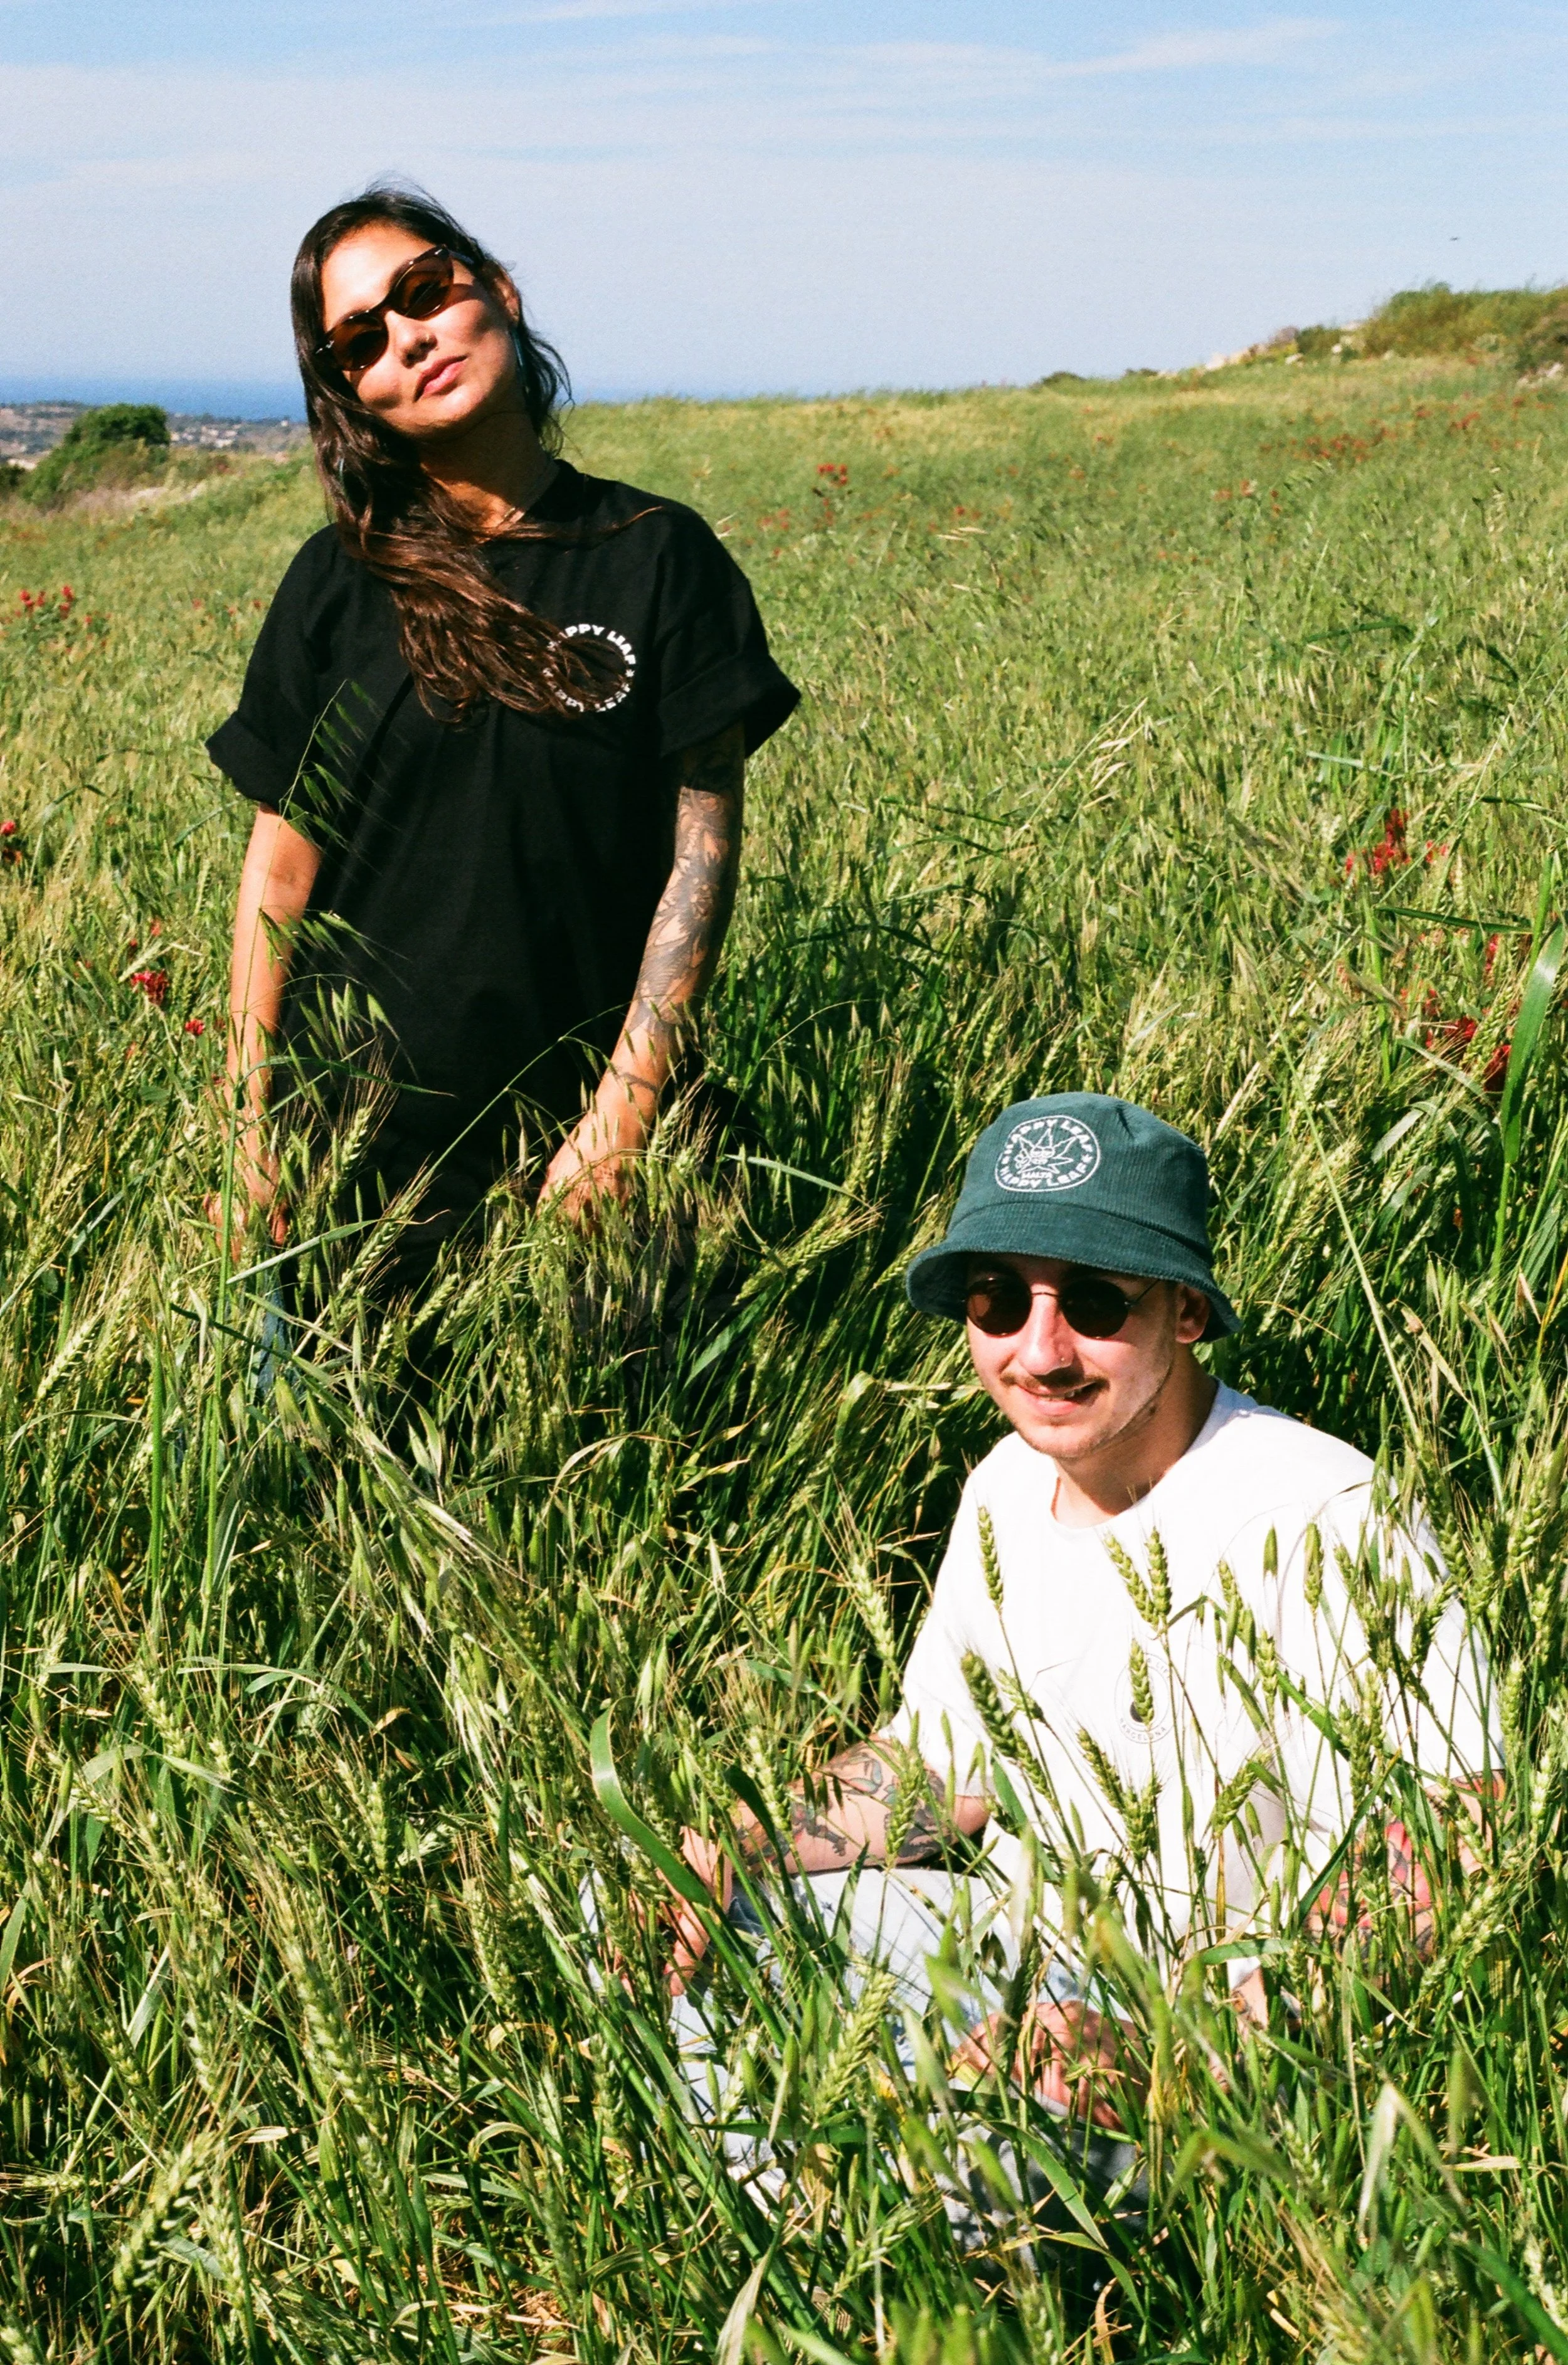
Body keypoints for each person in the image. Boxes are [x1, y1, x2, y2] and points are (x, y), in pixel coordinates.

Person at [667, 1092, 1497, 2131]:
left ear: (1187, 1310)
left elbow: (1461, 1818)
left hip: (1220, 2030)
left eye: (1096, 1304)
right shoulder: (1006, 1485)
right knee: (669, 1934)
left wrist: (1183, 2050)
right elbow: (935, 1764)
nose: (1041, 1349)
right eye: (997, 1300)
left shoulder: (1324, 1510)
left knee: (971, 2148)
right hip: (1011, 1951)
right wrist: (734, 1850)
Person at [206, 185, 798, 1288]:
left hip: (581, 1147)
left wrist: (627, 1110)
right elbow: (278, 878)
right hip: (355, 1158)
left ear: (502, 293)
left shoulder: (660, 556)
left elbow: (699, 864)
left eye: (425, 291)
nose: (408, 339)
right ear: (355, 397)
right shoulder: (337, 584)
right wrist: (247, 1133)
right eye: (361, 341)